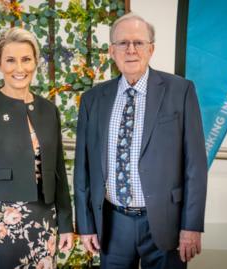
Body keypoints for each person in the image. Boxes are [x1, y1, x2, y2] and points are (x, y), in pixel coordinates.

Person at [73, 13, 208, 269]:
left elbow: (195, 166)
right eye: (123, 43)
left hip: (165, 221)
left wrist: (191, 225)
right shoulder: (93, 100)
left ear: (151, 49)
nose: (131, 50)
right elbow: (83, 169)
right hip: (113, 225)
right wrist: (86, 225)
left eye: (138, 42)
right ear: (112, 51)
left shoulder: (180, 91)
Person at [0, 27, 74, 269]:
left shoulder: (48, 110)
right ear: (0, 63)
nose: (19, 68)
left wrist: (66, 223)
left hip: (45, 219)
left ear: (35, 62)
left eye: (26, 59)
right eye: (11, 60)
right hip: (0, 222)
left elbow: (58, 172)